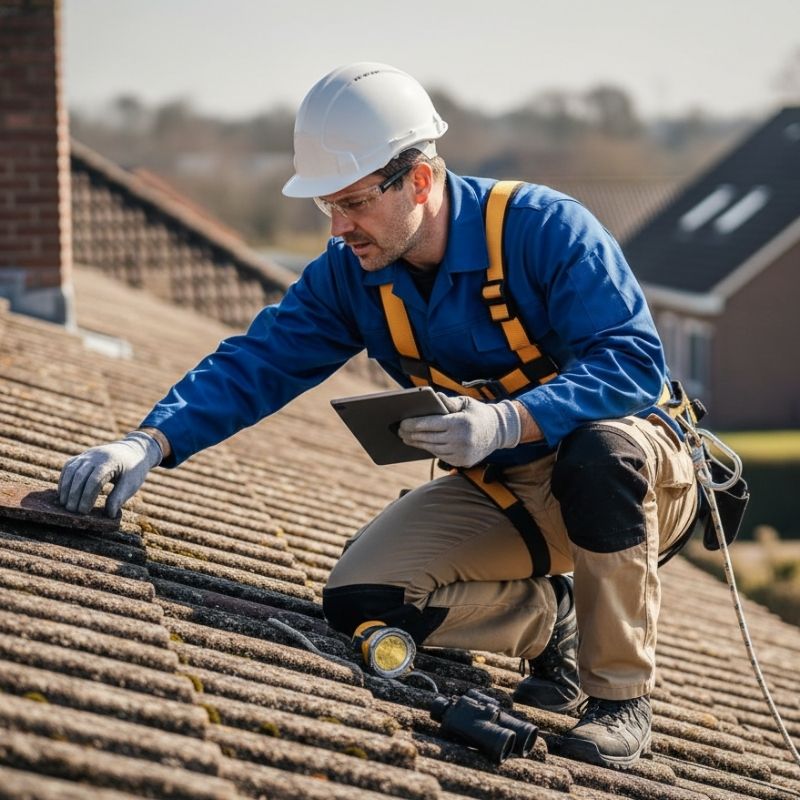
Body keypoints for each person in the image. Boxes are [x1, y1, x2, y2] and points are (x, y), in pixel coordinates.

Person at [58, 62, 698, 770]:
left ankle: (618, 699)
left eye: (354, 202)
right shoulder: (350, 273)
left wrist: (506, 422)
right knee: (363, 599)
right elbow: (258, 361)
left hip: (634, 484)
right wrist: (148, 441)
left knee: (598, 456)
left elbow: (634, 364)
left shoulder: (544, 229)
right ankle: (552, 623)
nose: (338, 227)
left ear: (419, 180)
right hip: (511, 491)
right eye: (326, 207)